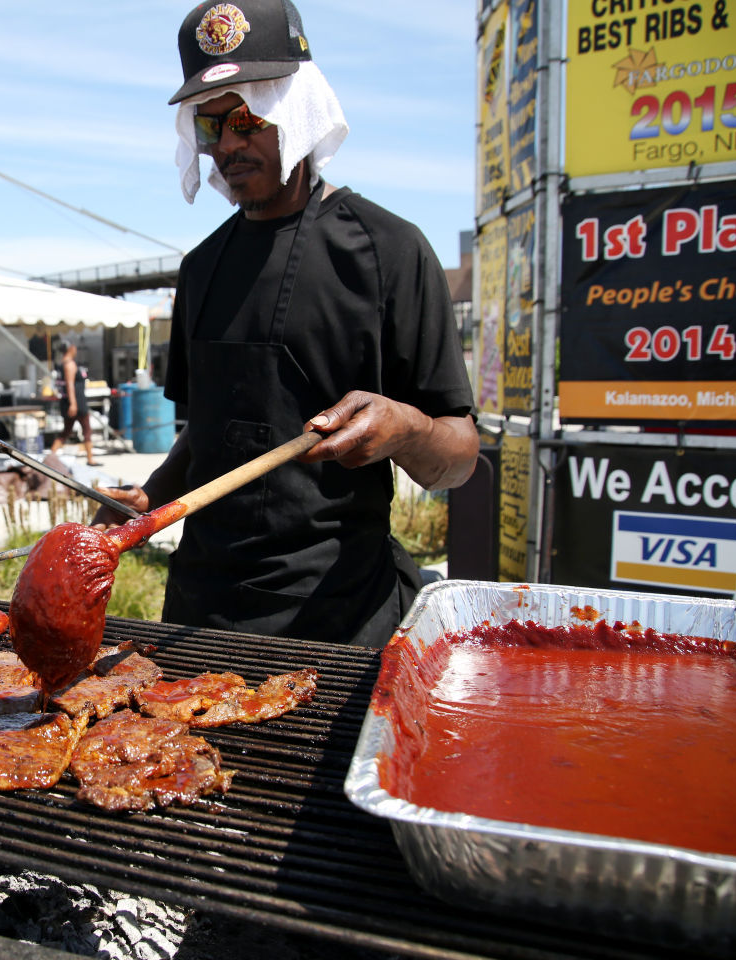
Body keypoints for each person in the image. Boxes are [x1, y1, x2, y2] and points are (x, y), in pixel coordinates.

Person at [94, 0, 478, 648]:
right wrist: (149, 502)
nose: (229, 145)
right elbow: (211, 435)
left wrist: (406, 428)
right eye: (212, 126)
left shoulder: (389, 252)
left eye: (248, 119)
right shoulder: (201, 268)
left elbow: (459, 457)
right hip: (197, 616)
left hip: (338, 620)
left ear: (295, 110)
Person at [49, 339, 100, 465]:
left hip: (69, 402)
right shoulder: (69, 365)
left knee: (66, 431)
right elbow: (70, 385)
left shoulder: (62, 364)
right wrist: (73, 403)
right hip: (76, 402)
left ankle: (51, 456)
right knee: (86, 430)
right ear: (71, 348)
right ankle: (90, 458)